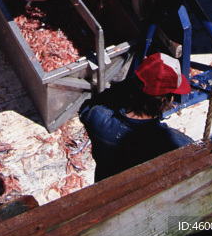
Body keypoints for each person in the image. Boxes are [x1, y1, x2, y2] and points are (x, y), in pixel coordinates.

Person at [79, 52, 192, 181]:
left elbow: (86, 107)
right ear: (163, 101)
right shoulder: (174, 142)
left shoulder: (97, 118)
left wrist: (124, 88)